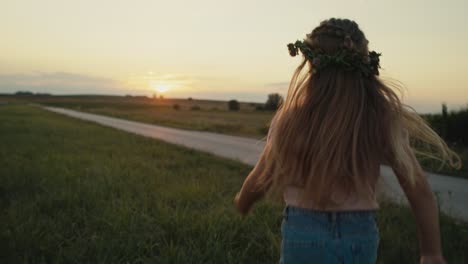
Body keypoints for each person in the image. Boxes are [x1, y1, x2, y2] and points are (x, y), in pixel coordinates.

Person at [234, 18, 461, 264]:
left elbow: (263, 175)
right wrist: (431, 253)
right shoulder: (378, 117)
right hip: (359, 235)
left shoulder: (292, 118)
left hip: (303, 231)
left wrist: (243, 201)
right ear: (365, 63)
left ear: (311, 64)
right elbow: (418, 189)